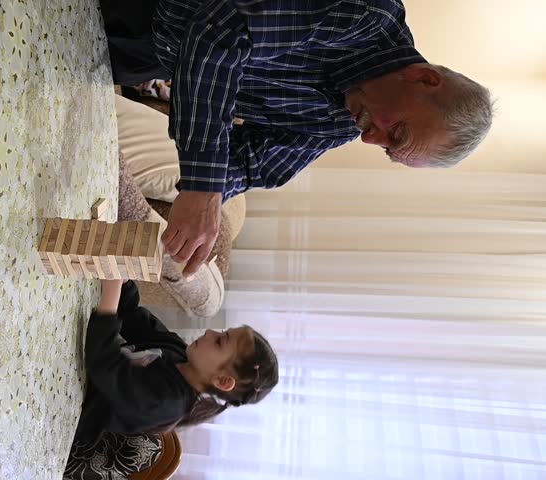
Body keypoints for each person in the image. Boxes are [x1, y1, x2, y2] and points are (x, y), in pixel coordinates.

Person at [101, 0, 495, 276]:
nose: (370, 140)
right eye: (397, 132)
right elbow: (221, 30)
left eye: (388, 148)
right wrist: (202, 186)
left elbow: (256, 164)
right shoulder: (364, 14)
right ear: (423, 78)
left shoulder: (344, 122)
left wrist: (205, 199)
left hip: (150, 56)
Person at [72, 279, 278, 447]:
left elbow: (105, 365)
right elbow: (132, 317)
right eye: (222, 332)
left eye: (219, 341)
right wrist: (124, 284)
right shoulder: (180, 354)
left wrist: (112, 289)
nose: (209, 332)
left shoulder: (167, 402)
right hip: (78, 366)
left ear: (222, 380)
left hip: (70, 408)